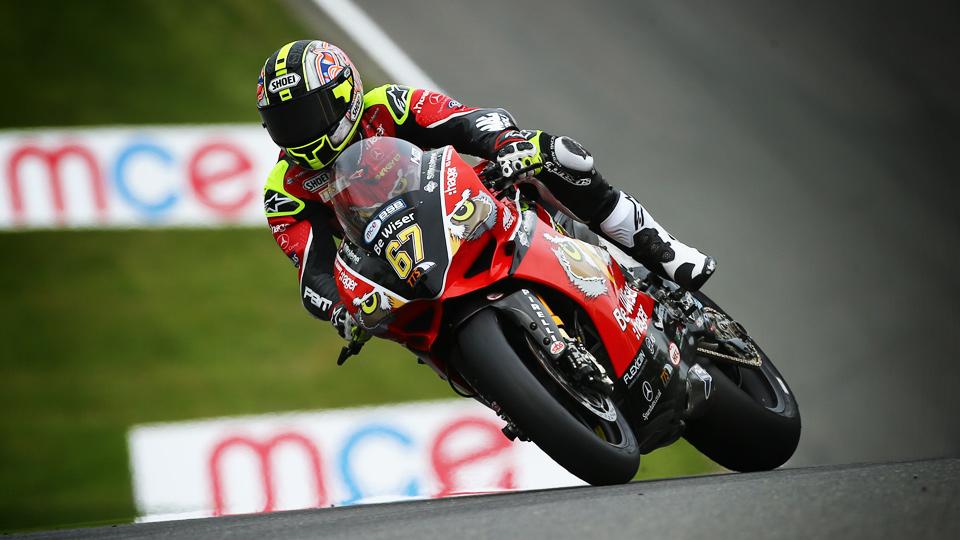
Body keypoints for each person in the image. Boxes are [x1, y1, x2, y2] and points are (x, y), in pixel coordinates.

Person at [256, 40, 716, 343]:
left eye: (307, 115)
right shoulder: (285, 193)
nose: (298, 132)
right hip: (405, 268)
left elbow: (470, 121)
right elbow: (312, 274)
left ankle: (661, 249)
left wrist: (507, 144)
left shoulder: (390, 105)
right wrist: (341, 311)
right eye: (284, 122)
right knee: (388, 323)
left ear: (345, 95)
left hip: (463, 205)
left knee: (551, 156)